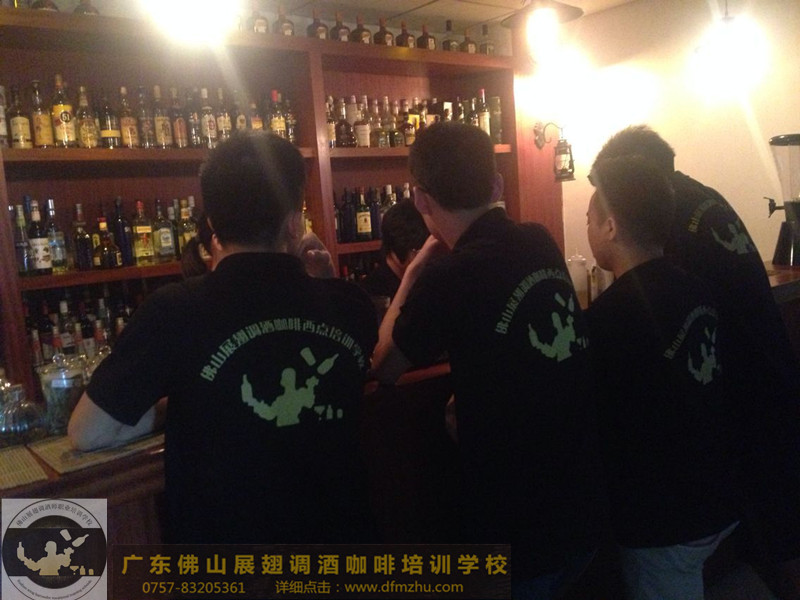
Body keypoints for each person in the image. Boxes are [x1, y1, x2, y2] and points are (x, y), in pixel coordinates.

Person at [68, 131, 377, 545]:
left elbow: (87, 432)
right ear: (294, 222)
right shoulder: (351, 305)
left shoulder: (174, 310)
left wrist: (177, 403)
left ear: (211, 222)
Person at [371, 122, 604, 599]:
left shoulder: (447, 275)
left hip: (518, 525)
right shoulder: (538, 239)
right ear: (496, 186)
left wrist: (411, 275)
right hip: (583, 503)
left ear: (420, 199)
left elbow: (384, 365)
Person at [594, 126, 800, 596]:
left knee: (780, 538)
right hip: (770, 374)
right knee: (779, 533)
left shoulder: (675, 221)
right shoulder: (701, 198)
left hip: (749, 398)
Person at [584, 155, 739, 600]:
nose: (588, 229)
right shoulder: (697, 289)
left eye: (590, 220)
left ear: (610, 227)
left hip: (663, 513)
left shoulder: (611, 316)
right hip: (715, 487)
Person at [359, 199, 429, 300]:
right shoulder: (371, 293)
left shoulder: (423, 281)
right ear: (401, 246)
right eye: (419, 251)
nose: (427, 258)